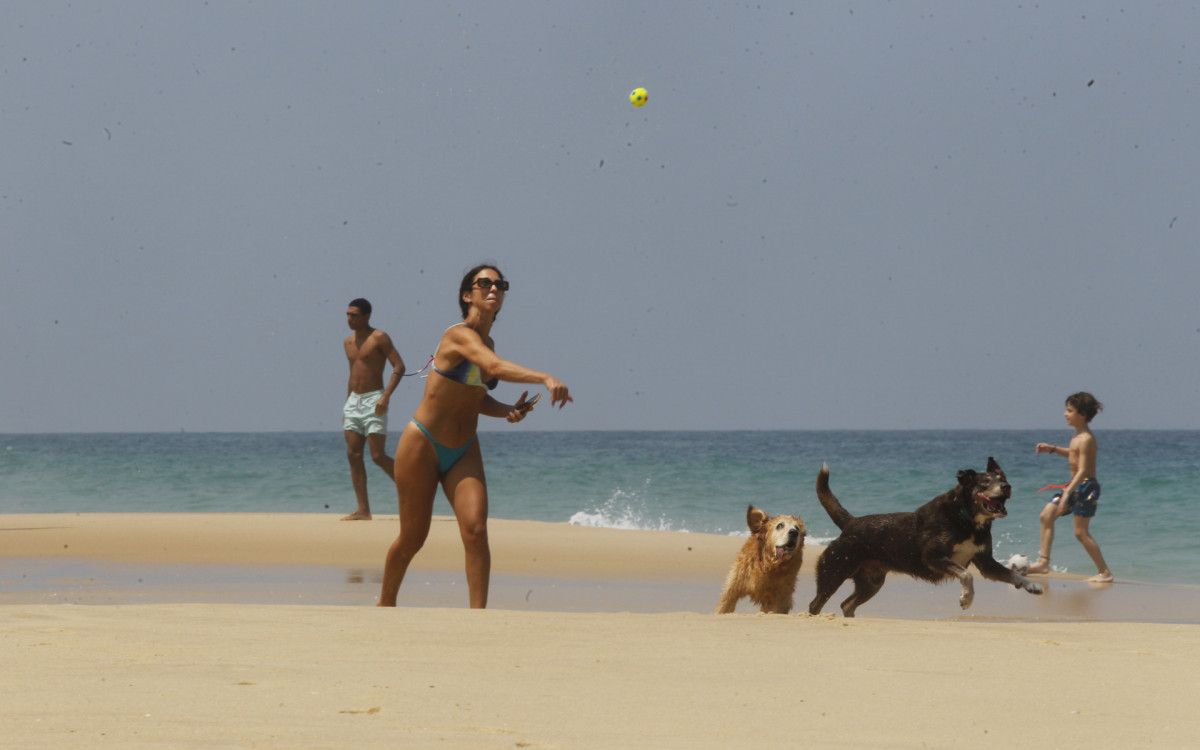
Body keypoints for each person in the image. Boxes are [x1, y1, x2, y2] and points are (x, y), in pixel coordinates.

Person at [377, 265, 572, 608]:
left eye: (499, 284)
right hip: (422, 443)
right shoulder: (458, 335)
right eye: (485, 283)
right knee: (412, 538)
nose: (493, 287)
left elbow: (478, 396)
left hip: (463, 449)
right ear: (468, 295)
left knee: (476, 531)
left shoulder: (488, 343)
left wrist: (509, 409)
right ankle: (386, 603)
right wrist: (545, 378)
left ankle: (478, 617)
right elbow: (494, 369)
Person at [1028, 392, 1113, 582]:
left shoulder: (1086, 439)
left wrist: (1067, 492)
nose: (1065, 414)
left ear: (1081, 415)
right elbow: (1073, 455)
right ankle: (1043, 563)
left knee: (1080, 533)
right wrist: (1051, 449)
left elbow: (1082, 470)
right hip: (1074, 485)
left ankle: (1104, 573)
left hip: (1085, 488)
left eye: (1069, 411)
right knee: (1046, 516)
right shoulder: (1077, 436)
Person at [342, 298, 406, 521]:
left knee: (377, 455)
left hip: (374, 399)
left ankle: (411, 488)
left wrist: (386, 396)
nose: (349, 319)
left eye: (354, 315)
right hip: (354, 402)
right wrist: (347, 405)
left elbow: (399, 366)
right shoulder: (348, 342)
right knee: (353, 454)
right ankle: (363, 510)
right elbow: (353, 374)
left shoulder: (379, 337)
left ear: (367, 316)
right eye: (348, 315)